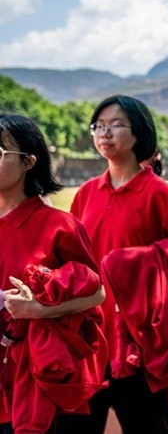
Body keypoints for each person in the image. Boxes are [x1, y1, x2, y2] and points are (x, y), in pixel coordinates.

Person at [62, 95, 168, 434]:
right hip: (88, 337)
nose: (104, 133)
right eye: (99, 126)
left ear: (138, 133)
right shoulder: (86, 193)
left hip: (137, 337)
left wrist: (136, 261)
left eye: (115, 125)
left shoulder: (158, 192)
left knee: (148, 424)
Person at [0, 114, 106, 433]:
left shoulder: (60, 226)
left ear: (28, 162)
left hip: (33, 378)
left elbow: (96, 293)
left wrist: (39, 310)